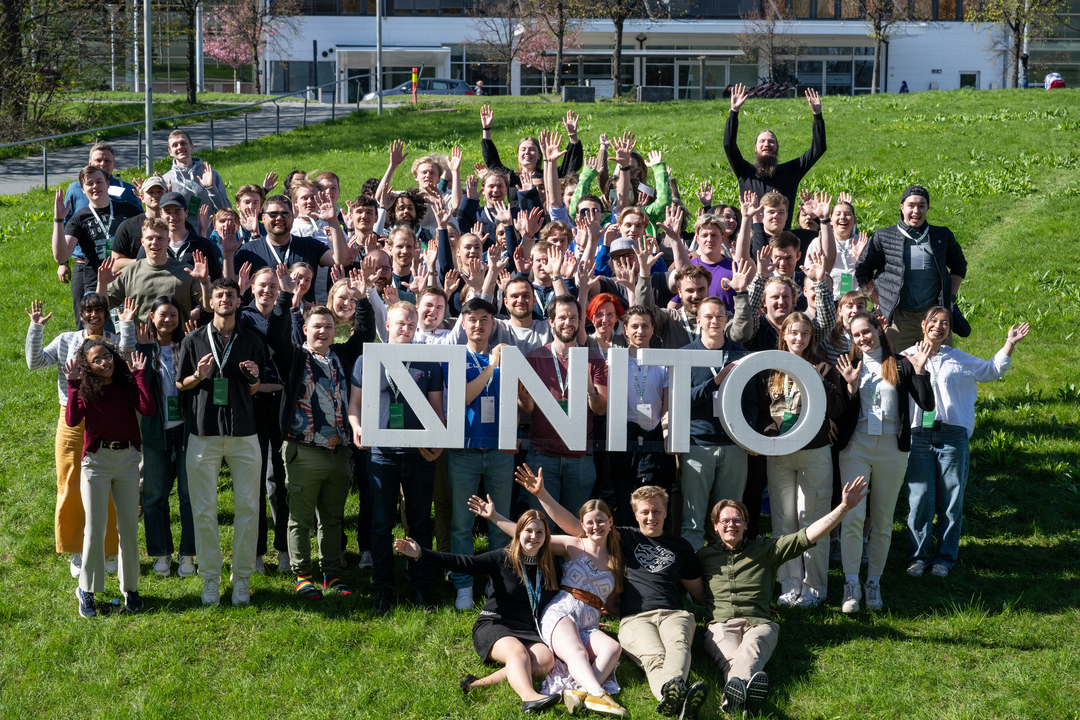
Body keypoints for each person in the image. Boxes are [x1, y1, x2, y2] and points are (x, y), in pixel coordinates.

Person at [520, 472, 711, 720]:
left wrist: (732, 608)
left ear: (666, 511)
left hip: (673, 612)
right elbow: (576, 526)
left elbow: (700, 591)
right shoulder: (622, 538)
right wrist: (542, 495)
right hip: (634, 618)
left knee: (678, 645)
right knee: (654, 658)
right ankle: (673, 695)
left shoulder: (681, 545)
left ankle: (672, 695)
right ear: (635, 515)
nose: (651, 517)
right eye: (645, 512)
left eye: (657, 511)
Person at [696, 477, 869, 716]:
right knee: (734, 658)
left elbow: (806, 536)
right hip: (721, 625)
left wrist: (844, 507)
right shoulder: (703, 556)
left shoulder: (764, 549)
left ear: (745, 524)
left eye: (737, 520)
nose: (731, 525)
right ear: (715, 526)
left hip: (759, 623)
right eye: (725, 521)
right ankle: (742, 698)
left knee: (751, 649)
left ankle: (732, 698)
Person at [472, 489, 628, 717]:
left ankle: (581, 693)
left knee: (613, 648)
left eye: (601, 521)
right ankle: (599, 695)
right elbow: (532, 537)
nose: (596, 526)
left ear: (610, 521)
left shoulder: (616, 562)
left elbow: (611, 605)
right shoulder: (573, 544)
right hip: (562, 611)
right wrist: (495, 517)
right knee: (577, 652)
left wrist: (637, 616)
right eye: (590, 522)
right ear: (582, 525)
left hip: (589, 622)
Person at [394, 510, 564, 713]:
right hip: (495, 624)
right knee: (517, 652)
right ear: (518, 533)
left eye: (540, 532)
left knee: (545, 660)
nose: (534, 536)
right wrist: (422, 553)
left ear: (546, 537)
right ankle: (529, 698)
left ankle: (476, 685)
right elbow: (463, 562)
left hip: (527, 629)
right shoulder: (502, 558)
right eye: (529, 531)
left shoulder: (551, 567)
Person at [904, 310, 1030, 578]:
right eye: (933, 322)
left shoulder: (959, 358)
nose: (938, 327)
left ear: (949, 330)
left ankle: (944, 558)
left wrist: (1009, 343)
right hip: (919, 435)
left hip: (952, 436)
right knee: (920, 499)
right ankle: (918, 557)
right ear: (923, 325)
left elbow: (991, 370)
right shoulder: (907, 356)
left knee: (951, 501)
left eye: (945, 323)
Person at [26, 295, 135, 578]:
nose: (94, 315)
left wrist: (127, 326)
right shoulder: (66, 340)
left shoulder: (114, 341)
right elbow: (34, 362)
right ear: (81, 314)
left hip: (108, 418)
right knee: (71, 483)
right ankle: (77, 549)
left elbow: (128, 360)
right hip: (72, 419)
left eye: (99, 310)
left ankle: (109, 550)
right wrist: (36, 328)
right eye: (88, 310)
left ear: (106, 314)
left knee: (110, 483)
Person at [347, 301, 445, 614]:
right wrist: (356, 426)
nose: (406, 329)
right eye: (400, 323)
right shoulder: (367, 359)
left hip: (419, 454)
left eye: (411, 325)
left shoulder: (428, 362)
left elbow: (437, 410)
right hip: (381, 454)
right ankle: (383, 588)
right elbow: (355, 404)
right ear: (387, 325)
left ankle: (420, 587)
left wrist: (439, 441)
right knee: (380, 525)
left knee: (420, 524)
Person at [834, 312, 934, 613]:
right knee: (852, 516)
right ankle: (851, 583)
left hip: (892, 447)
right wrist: (850, 388)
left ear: (879, 329)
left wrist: (920, 372)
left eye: (866, 331)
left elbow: (927, 404)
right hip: (856, 447)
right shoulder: (849, 365)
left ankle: (873, 582)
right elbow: (839, 413)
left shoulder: (902, 363)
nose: (862, 338)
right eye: (856, 335)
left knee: (882, 520)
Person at [267, 267, 356, 600]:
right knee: (300, 518)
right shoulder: (294, 356)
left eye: (328, 326)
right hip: (304, 450)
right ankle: (303, 575)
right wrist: (285, 298)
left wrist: (361, 299)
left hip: (339, 452)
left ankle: (332, 574)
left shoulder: (342, 357)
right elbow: (276, 336)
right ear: (305, 329)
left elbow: (363, 332)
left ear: (335, 331)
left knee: (332, 519)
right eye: (317, 326)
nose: (323, 331)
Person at [176, 277, 266, 606]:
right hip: (203, 432)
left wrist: (254, 377)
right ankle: (210, 579)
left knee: (248, 509)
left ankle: (241, 578)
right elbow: (181, 383)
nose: (225, 299)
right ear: (211, 302)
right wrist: (198, 376)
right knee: (204, 510)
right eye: (219, 295)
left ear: (239, 301)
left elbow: (256, 388)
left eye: (230, 294)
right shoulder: (193, 340)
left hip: (244, 432)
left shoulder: (252, 340)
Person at [758, 313, 846, 608]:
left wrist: (817, 380)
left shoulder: (823, 367)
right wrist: (768, 437)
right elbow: (762, 412)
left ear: (811, 337)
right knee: (783, 519)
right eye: (793, 332)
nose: (799, 338)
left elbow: (837, 409)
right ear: (783, 334)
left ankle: (814, 588)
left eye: (805, 333)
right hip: (779, 453)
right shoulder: (770, 370)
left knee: (813, 517)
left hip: (814, 453)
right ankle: (789, 585)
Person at [65, 341, 155, 617]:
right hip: (96, 463)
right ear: (88, 366)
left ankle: (131, 588)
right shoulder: (86, 389)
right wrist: (73, 385)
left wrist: (139, 376)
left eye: (107, 356)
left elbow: (148, 408)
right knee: (95, 529)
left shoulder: (127, 384)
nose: (105, 362)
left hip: (127, 461)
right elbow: (72, 420)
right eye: (97, 360)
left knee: (128, 528)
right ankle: (87, 589)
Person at [443, 297, 518, 610]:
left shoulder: (507, 356)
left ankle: (495, 582)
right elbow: (463, 396)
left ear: (493, 324)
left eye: (484, 319)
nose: (478, 325)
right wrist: (491, 366)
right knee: (462, 523)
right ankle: (463, 584)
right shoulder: (455, 356)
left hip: (500, 451)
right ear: (463, 324)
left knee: (499, 522)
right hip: (465, 450)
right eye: (472, 319)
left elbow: (517, 401)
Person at [518, 295, 608, 525]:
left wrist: (590, 389)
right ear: (551, 321)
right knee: (539, 526)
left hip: (580, 459)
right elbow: (527, 408)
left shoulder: (594, 359)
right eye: (562, 317)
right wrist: (523, 400)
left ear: (580, 322)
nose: (568, 322)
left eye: (573, 318)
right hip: (541, 455)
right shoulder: (534, 358)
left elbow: (600, 409)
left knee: (577, 528)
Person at [854, 185, 967, 351]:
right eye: (911, 205)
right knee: (892, 363)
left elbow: (959, 266)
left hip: (933, 316)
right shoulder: (883, 236)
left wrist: (950, 299)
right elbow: (863, 270)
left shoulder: (942, 235)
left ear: (928, 208)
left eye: (921, 206)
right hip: (897, 318)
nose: (916, 211)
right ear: (902, 207)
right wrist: (877, 301)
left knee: (940, 363)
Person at [681, 296, 754, 550]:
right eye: (709, 316)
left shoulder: (740, 355)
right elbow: (681, 400)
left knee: (731, 519)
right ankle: (691, 571)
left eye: (719, 316)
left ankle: (727, 568)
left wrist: (747, 434)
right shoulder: (685, 355)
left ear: (726, 320)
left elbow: (751, 401)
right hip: (697, 444)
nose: (714, 321)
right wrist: (715, 382)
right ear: (698, 321)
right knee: (693, 519)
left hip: (734, 446)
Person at [135, 296, 197, 579]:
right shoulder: (143, 348)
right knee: (154, 495)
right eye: (163, 314)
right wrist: (144, 349)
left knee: (188, 495)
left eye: (173, 314)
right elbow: (140, 387)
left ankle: (188, 554)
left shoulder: (188, 345)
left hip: (186, 430)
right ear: (152, 317)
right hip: (155, 431)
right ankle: (161, 553)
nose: (169, 320)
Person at [724, 83, 826, 230]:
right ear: (755, 148)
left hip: (782, 239)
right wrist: (734, 112)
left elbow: (818, 149)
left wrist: (817, 116)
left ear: (777, 148)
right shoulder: (745, 172)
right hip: (751, 238)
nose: (766, 144)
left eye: (771, 142)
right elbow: (729, 145)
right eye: (762, 141)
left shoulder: (790, 171)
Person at [52, 166, 143, 323]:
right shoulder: (78, 219)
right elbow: (61, 256)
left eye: (99, 181)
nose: (95, 186)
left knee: (129, 336)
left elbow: (154, 228)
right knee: (97, 337)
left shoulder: (128, 211)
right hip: (95, 288)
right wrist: (59, 220)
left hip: (128, 286)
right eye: (89, 183)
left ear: (108, 184)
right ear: (83, 189)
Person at [230, 195, 347, 304]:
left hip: (302, 315)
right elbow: (231, 284)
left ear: (292, 217)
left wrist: (333, 221)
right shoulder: (249, 250)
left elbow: (341, 260)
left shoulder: (309, 245)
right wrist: (227, 254)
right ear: (264, 218)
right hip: (262, 317)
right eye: (273, 214)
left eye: (285, 214)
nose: (279, 218)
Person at [97, 217, 211, 324]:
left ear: (168, 241)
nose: (155, 242)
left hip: (179, 338)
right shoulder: (128, 273)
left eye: (160, 238)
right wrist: (102, 284)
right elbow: (102, 307)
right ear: (142, 242)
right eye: (149, 238)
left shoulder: (186, 272)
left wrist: (205, 282)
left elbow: (209, 307)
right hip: (141, 338)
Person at [162, 129, 231, 215]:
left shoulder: (210, 175)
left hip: (208, 224)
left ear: (192, 147)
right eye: (175, 145)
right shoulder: (165, 180)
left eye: (183, 143)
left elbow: (226, 211)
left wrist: (211, 188)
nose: (180, 147)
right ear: (170, 152)